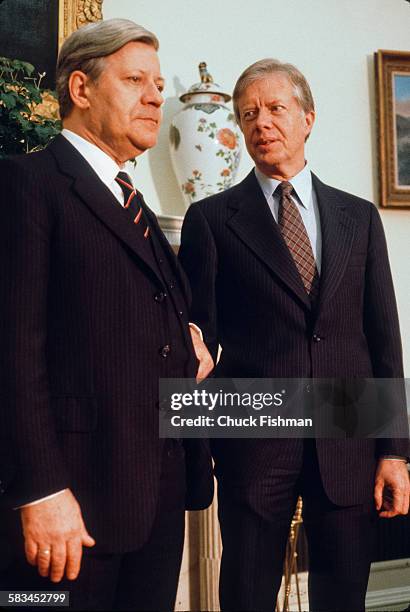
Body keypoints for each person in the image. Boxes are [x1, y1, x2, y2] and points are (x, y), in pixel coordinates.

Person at [179, 58, 410, 612]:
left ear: (308, 118)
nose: (262, 123)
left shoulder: (359, 217)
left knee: (343, 596)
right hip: (254, 434)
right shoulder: (211, 219)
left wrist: (395, 453)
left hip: (350, 432)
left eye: (276, 109)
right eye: (248, 113)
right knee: (245, 594)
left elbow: (384, 335)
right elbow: (195, 339)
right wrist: (199, 438)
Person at [0, 18, 214, 611]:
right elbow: (13, 353)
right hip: (72, 509)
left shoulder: (135, 202)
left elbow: (120, 314)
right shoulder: (25, 185)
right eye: (135, 80)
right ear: (81, 88)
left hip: (156, 500)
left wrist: (186, 335)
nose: (155, 96)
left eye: (159, 83)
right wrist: (39, 491)